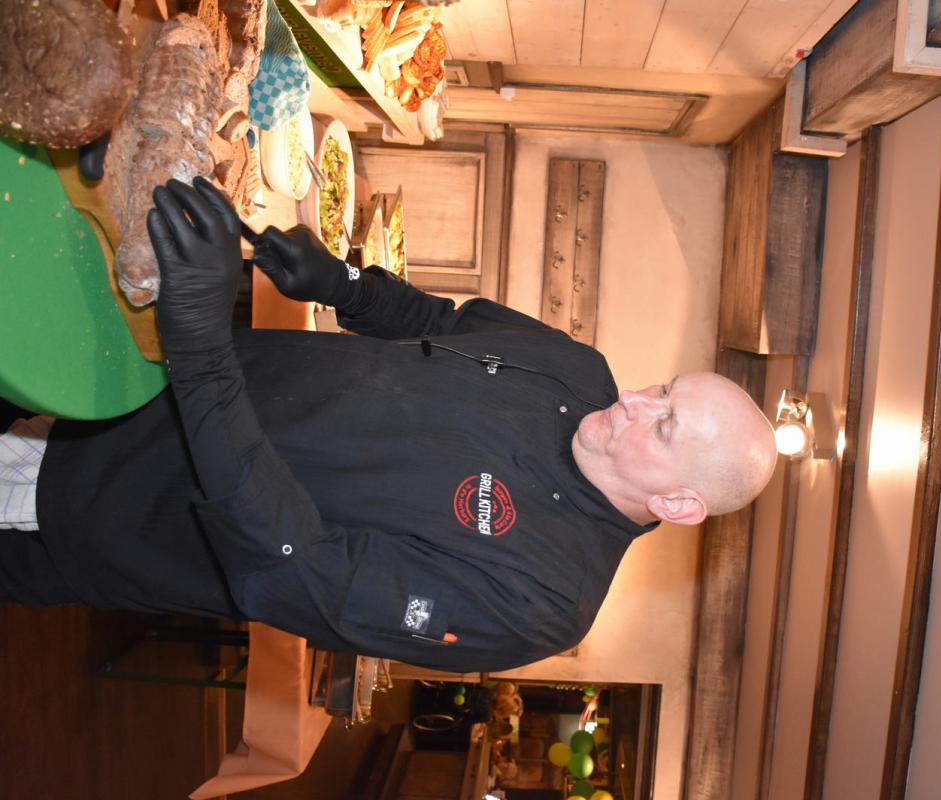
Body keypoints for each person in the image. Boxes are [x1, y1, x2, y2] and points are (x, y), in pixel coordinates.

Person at [0, 177, 776, 672]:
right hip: (139, 381)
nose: (635, 400)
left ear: (679, 504)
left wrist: (202, 341)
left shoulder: (540, 603)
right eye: (663, 388)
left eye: (664, 425)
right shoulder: (578, 370)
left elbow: (296, 570)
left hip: (99, 508)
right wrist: (339, 282)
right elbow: (440, 322)